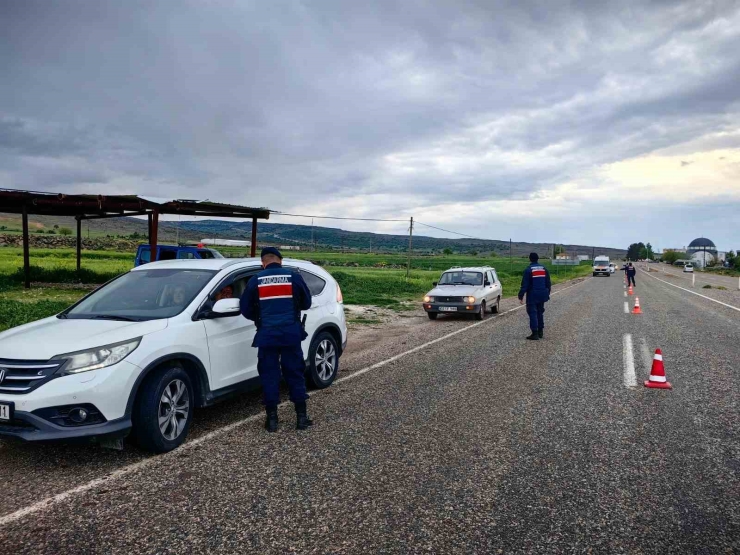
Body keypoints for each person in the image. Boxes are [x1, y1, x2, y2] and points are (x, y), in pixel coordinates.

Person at [240, 247, 313, 432]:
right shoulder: (293, 277)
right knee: (295, 374)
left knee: (269, 376)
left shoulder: (255, 280)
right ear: (280, 261)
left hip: (267, 336)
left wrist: (259, 317)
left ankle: (272, 421)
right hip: (291, 335)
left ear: (263, 263)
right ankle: (301, 419)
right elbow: (306, 303)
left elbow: (245, 309)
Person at [518, 252, 551, 340]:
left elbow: (525, 285)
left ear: (530, 259)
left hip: (533, 295)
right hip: (542, 294)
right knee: (540, 312)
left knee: (533, 313)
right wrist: (547, 293)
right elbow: (548, 283)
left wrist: (520, 296)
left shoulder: (529, 270)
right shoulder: (544, 269)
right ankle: (540, 331)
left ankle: (535, 333)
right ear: (537, 259)